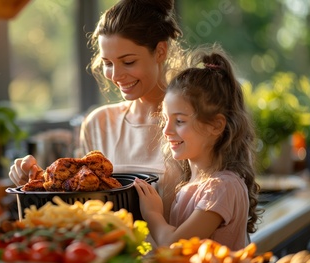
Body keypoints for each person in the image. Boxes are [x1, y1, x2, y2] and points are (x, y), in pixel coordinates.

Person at [9, 0, 185, 221]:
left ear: (160, 51)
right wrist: (36, 182)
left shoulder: (189, 123)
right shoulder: (98, 123)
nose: (116, 75)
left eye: (128, 62)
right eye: (108, 63)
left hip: (175, 253)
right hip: (108, 252)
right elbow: (79, 209)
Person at [134, 45, 262, 250]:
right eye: (165, 119)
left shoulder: (221, 187)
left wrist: (152, 214)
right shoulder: (193, 184)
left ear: (216, 126)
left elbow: (175, 245)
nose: (166, 130)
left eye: (179, 121)